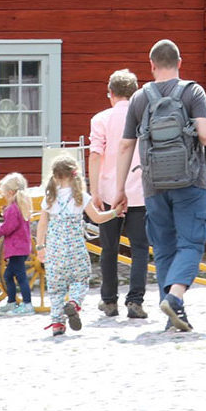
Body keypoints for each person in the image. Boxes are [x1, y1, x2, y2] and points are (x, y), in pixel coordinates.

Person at [113, 38, 206, 333]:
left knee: (162, 247)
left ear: (152, 66)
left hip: (153, 184)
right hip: (191, 180)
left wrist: (119, 189)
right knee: (191, 242)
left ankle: (173, 312)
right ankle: (174, 297)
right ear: (179, 63)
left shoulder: (139, 98)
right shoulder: (192, 91)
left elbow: (125, 146)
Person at [35, 154, 119, 336]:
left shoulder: (50, 197)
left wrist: (40, 247)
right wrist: (115, 213)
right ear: (75, 175)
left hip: (55, 250)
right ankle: (73, 303)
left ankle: (57, 324)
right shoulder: (81, 197)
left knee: (56, 288)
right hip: (75, 249)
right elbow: (97, 218)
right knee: (80, 280)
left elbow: (42, 224)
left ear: (55, 176)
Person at [88, 68, 149, 319]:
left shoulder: (100, 119)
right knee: (140, 248)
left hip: (108, 191)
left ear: (110, 93)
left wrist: (94, 191)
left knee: (109, 249)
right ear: (135, 93)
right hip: (139, 190)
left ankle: (109, 301)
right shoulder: (144, 116)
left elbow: (94, 155)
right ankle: (135, 301)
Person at [0, 173, 34, 314]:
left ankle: (27, 304)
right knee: (9, 275)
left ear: (10, 192)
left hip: (16, 248)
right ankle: (12, 302)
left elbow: (8, 227)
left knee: (20, 276)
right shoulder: (21, 206)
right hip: (20, 247)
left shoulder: (13, 209)